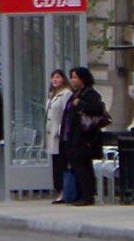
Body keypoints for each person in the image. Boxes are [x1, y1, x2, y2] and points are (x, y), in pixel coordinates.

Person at [61, 67, 108, 206]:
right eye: (72, 78)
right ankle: (82, 194)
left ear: (83, 78)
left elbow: (97, 110)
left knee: (83, 166)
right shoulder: (76, 93)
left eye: (76, 77)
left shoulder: (90, 94)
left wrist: (81, 104)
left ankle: (88, 196)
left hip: (85, 138)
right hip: (73, 136)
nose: (73, 80)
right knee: (78, 165)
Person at [45, 70, 72, 203]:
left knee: (61, 163)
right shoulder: (52, 94)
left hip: (59, 134)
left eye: (58, 77)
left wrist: (61, 130)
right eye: (53, 78)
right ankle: (59, 190)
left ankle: (64, 191)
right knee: (56, 163)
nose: (55, 80)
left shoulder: (66, 94)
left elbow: (66, 113)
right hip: (51, 134)